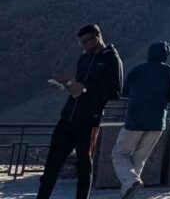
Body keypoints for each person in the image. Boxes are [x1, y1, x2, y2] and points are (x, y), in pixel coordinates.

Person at [37, 24, 123, 199]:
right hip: (68, 116)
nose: (83, 46)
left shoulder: (112, 60)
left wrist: (86, 89)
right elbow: (79, 83)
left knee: (84, 166)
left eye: (85, 42)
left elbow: (115, 92)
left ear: (97, 37)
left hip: (89, 120)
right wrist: (68, 85)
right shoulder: (84, 58)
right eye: (80, 43)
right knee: (52, 163)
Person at [112, 41, 170, 199]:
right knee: (140, 158)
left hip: (135, 119)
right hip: (157, 122)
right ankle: (128, 190)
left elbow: (124, 92)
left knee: (120, 154)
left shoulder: (137, 70)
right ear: (164, 56)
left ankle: (130, 184)